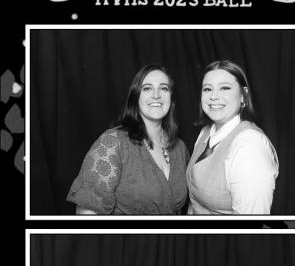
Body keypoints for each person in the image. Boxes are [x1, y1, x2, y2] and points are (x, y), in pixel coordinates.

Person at [66, 65, 189, 215]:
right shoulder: (113, 142)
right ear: (135, 96)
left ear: (171, 97)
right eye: (147, 88)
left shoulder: (180, 148)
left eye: (164, 88)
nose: (156, 95)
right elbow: (86, 212)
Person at [186, 60, 279, 216]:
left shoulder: (250, 147)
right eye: (208, 89)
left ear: (243, 95)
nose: (214, 96)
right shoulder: (205, 133)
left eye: (225, 88)